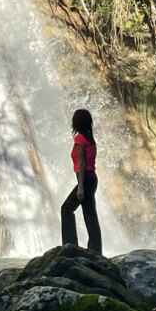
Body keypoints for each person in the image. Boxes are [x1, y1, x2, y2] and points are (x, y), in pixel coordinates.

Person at [61, 108, 102, 254]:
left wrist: (80, 187)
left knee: (66, 209)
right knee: (90, 213)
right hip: (92, 179)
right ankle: (95, 250)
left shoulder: (79, 139)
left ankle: (70, 246)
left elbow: (82, 163)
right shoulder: (90, 139)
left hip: (85, 180)